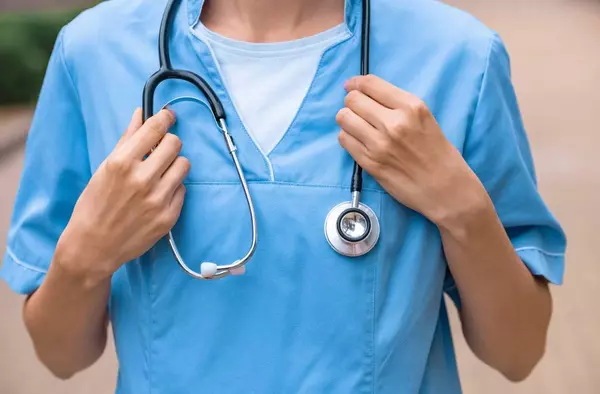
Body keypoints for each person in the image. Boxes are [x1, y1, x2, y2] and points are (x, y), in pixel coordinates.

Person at [0, 0, 567, 392]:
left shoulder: (458, 57)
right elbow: (61, 356)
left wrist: (462, 210)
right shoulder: (94, 53)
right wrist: (86, 255)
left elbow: (516, 355)